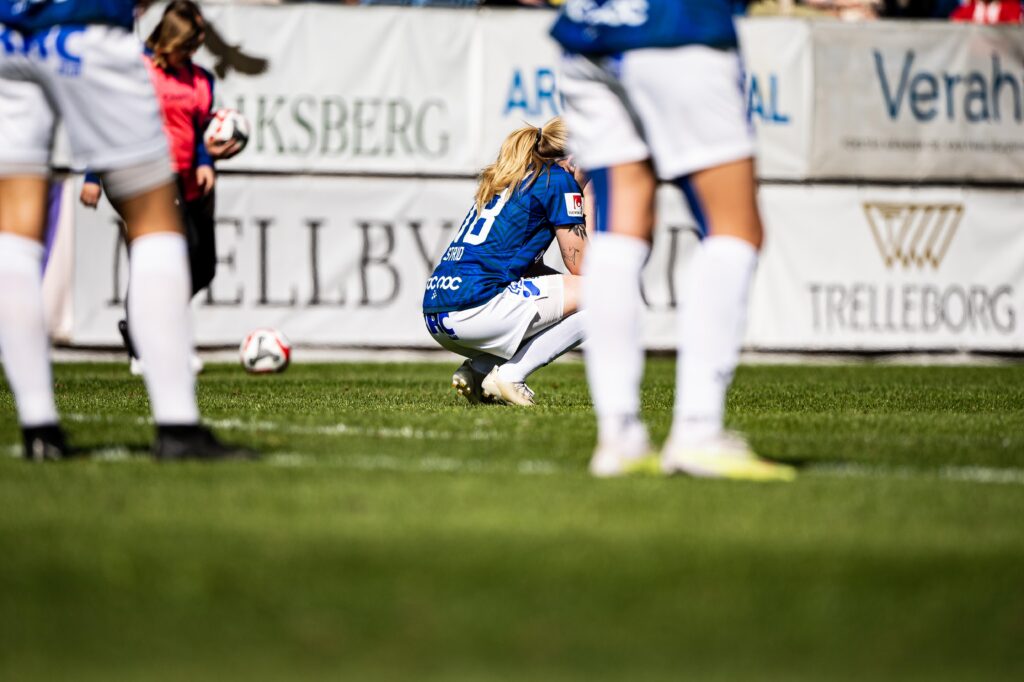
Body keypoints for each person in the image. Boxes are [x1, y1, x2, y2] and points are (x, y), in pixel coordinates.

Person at [551, 0, 795, 480]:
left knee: (619, 233)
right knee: (735, 230)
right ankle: (698, 431)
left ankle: (619, 436)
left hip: (590, 27)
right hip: (678, 28)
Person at [0, 0, 254, 460]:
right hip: (88, 24)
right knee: (156, 221)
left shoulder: (200, 80)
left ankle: (39, 429)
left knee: (13, 231)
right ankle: (177, 426)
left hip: (9, 34)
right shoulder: (149, 63)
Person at [80, 0, 240, 375]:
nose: (193, 52)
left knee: (204, 267)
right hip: (151, 177)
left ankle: (146, 323)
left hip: (192, 182)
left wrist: (206, 160)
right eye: (188, 45)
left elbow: (201, 130)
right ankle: (150, 343)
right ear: (171, 40)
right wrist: (92, 175)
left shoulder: (202, 80)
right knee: (168, 260)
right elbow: (107, 120)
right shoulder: (136, 68)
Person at [422, 117, 589, 406]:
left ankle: (480, 369)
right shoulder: (559, 180)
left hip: (437, 312)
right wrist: (587, 192)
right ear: (574, 158)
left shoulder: (512, 176)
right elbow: (584, 268)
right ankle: (511, 375)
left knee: (563, 300)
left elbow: (524, 269)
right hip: (476, 307)